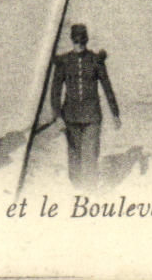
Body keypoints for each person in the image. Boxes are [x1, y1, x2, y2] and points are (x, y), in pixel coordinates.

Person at [50, 23, 120, 189]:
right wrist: (58, 116)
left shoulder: (96, 60)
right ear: (72, 41)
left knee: (90, 154)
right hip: (71, 117)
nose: (79, 46)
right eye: (76, 43)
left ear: (86, 41)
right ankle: (77, 189)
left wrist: (115, 113)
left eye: (81, 43)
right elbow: (55, 92)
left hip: (92, 116)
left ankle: (90, 190)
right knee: (75, 155)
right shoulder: (64, 62)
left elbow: (107, 87)